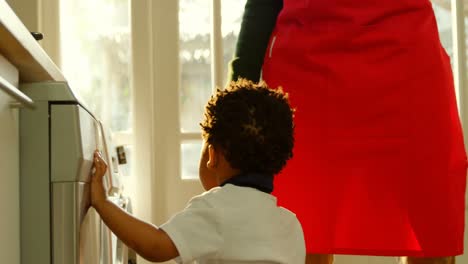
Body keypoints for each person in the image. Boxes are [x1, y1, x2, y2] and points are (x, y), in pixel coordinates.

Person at [229, 1, 467, 264]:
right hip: (308, 77)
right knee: (300, 232)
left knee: (431, 237)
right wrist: (239, 96)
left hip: (407, 66)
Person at [91, 79, 306, 263]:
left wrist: (102, 203)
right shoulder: (291, 225)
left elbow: (155, 246)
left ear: (213, 154)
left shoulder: (216, 209)